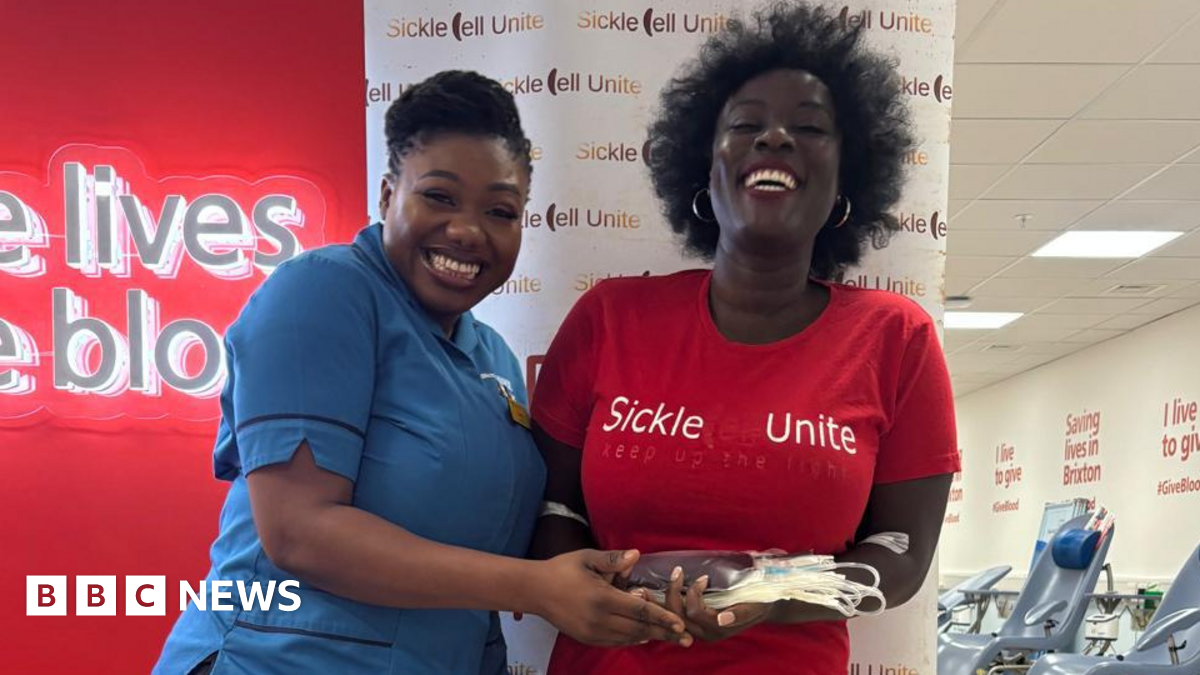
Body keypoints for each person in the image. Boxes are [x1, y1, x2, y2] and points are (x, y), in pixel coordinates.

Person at [153, 70, 686, 675]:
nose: (466, 230)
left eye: (500, 210)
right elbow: (300, 532)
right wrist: (535, 588)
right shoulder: (324, 293)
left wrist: (636, 576)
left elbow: (486, 554)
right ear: (386, 196)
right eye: (439, 196)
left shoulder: (496, 360)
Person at [529, 3, 959, 674]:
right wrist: (594, 586)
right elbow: (549, 505)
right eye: (745, 124)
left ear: (848, 178)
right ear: (706, 167)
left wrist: (771, 590)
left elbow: (901, 555)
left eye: (810, 127)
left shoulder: (895, 339)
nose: (776, 138)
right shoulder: (609, 316)